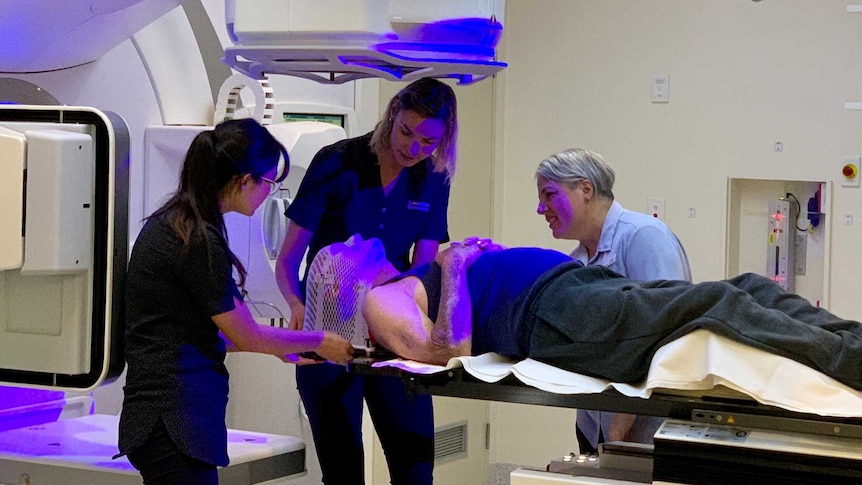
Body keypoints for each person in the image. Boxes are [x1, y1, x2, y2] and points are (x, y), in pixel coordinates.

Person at [117, 118, 355, 485]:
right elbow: (246, 335)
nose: (269, 193)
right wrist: (321, 341)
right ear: (246, 181)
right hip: (173, 419)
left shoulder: (175, 223)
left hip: (164, 417)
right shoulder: (195, 240)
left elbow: (208, 332)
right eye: (269, 183)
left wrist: (279, 347)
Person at [314, 237, 862, 395]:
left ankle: (852, 341)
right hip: (557, 315)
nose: (362, 237)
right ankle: (852, 361)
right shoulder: (377, 300)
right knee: (721, 305)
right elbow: (445, 350)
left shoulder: (407, 277)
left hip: (568, 294)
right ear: (345, 277)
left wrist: (474, 260)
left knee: (745, 288)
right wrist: (456, 264)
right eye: (351, 244)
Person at [274, 77, 458, 484]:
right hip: (328, 331)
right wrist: (298, 306)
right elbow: (288, 261)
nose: (413, 148)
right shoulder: (336, 162)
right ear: (392, 113)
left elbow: (422, 271)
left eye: (428, 142)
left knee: (416, 470)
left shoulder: (434, 177)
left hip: (394, 330)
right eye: (407, 131)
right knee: (343, 473)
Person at [535, 147, 691, 453]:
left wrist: (622, 421)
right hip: (594, 425)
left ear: (586, 189)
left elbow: (665, 331)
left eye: (549, 195)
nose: (541, 209)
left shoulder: (644, 237)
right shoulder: (576, 262)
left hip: (644, 429)